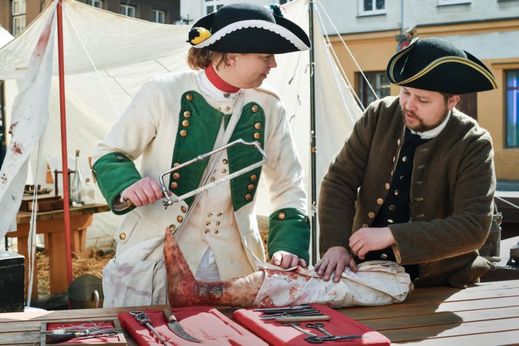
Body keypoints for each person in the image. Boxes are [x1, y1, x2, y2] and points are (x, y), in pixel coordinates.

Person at [93, 3, 312, 307]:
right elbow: (109, 153)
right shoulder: (162, 92)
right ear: (231, 55)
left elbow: (289, 185)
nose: (273, 65)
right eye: (265, 56)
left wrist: (288, 243)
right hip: (157, 256)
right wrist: (129, 184)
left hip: (234, 266)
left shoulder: (269, 108)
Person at [315, 37, 498, 288]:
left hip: (435, 283)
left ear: (452, 101)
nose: (409, 106)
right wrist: (335, 245)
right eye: (405, 92)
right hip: (362, 270)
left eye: (422, 100)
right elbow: (339, 181)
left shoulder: (473, 142)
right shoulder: (379, 115)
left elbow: (473, 226)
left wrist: (391, 235)